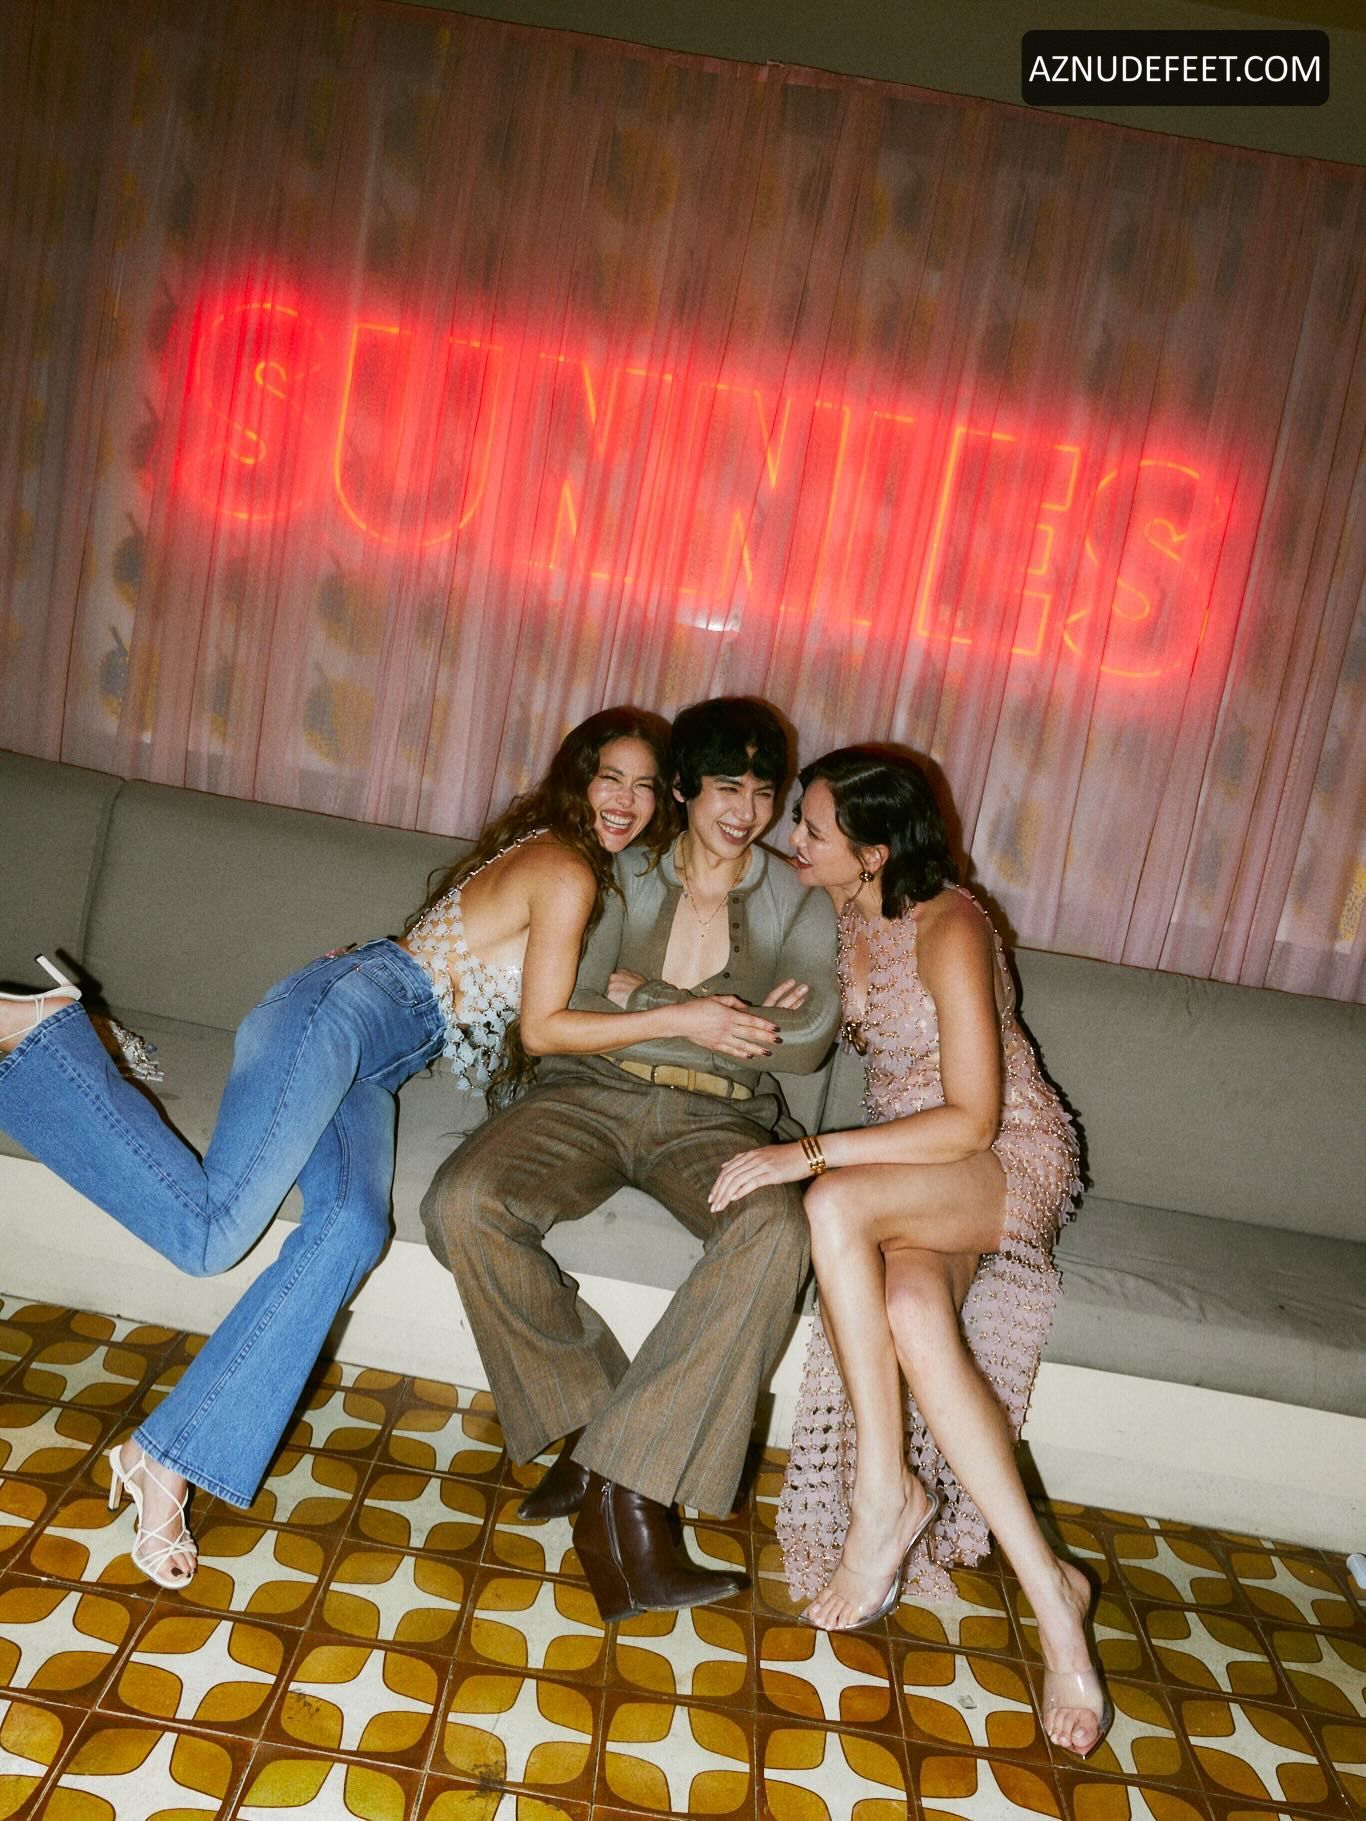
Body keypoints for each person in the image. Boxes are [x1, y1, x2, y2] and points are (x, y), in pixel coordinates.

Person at [0, 708, 784, 1592]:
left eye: (644, 785)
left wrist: (651, 991)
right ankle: (43, 1037)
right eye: (612, 777)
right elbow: (543, 1027)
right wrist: (689, 1016)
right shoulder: (567, 869)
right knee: (211, 1232)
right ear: (580, 776)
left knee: (349, 1231)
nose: (628, 800)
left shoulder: (564, 863)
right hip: (343, 1017)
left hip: (370, 1055)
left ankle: (164, 1457)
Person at [708, 746, 1111, 1762]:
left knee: (832, 1202)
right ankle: (1053, 1586)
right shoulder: (844, 908)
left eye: (812, 828)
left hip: (1001, 1154)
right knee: (913, 1312)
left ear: (875, 851)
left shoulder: (952, 925)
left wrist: (805, 1152)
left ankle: (884, 1499)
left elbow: (972, 1117)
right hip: (913, 1169)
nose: (793, 839)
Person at [422, 696, 840, 1622]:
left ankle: (624, 1492)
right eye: (726, 787)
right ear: (683, 788)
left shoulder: (801, 898)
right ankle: (594, 1431)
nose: (746, 812)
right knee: (463, 1201)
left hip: (719, 1118)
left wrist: (638, 994)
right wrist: (708, 1016)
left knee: (778, 1229)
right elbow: (571, 1002)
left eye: (762, 792)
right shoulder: (618, 872)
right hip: (589, 1091)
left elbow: (809, 1042)